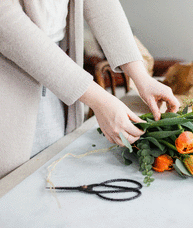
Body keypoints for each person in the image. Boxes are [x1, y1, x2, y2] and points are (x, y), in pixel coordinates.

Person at [0, 0, 180, 179]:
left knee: (51, 174)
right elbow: (5, 20)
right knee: (14, 185)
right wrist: (99, 100)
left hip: (58, 72)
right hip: (9, 78)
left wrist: (140, 76)